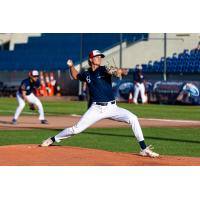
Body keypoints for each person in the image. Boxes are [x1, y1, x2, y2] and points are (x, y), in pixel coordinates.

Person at [40, 50, 159, 158]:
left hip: (112, 107)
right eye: (97, 57)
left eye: (100, 57)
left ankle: (143, 149)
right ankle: (52, 139)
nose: (99, 58)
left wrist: (120, 71)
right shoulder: (87, 74)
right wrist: (71, 66)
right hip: (96, 108)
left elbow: (114, 71)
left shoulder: (103, 69)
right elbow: (76, 75)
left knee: (133, 118)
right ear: (91, 59)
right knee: (76, 129)